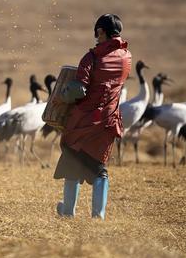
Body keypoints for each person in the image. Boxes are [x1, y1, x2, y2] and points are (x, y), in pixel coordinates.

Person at [54, 14, 132, 219]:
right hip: (108, 122)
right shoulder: (126, 58)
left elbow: (79, 90)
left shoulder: (92, 57)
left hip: (83, 121)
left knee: (72, 165)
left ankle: (68, 212)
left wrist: (62, 95)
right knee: (99, 169)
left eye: (97, 33)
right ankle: (99, 216)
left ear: (101, 32)